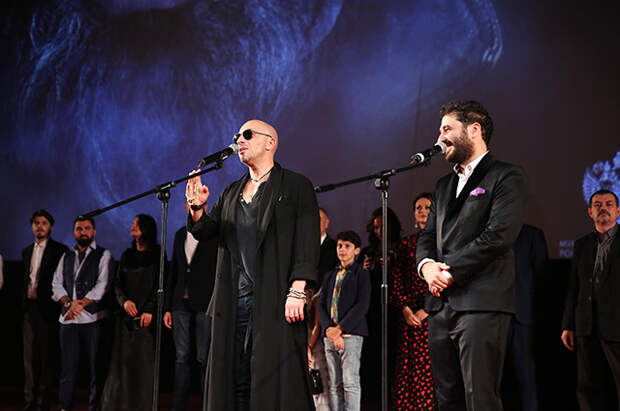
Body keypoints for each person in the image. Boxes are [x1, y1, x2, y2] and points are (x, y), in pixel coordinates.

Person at [185, 119, 320, 411]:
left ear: (270, 142)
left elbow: (307, 240)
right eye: (237, 136)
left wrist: (298, 289)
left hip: (274, 296)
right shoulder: (232, 192)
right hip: (234, 299)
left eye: (247, 135)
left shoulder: (296, 185)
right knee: (237, 376)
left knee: (271, 378)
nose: (239, 141)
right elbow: (206, 230)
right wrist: (197, 207)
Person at [416, 100, 528, 410]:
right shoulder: (443, 185)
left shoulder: (506, 175)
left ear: (474, 129)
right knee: (446, 399)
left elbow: (497, 237)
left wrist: (446, 270)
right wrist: (427, 268)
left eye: (447, 129)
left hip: (481, 302)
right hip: (441, 305)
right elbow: (427, 236)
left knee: (480, 398)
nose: (440, 138)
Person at [561, 189, 620, 411]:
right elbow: (574, 287)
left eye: (608, 204)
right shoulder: (582, 244)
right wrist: (567, 325)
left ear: (618, 211)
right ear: (590, 212)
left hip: (617, 324)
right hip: (586, 325)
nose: (603, 208)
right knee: (587, 387)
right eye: (597, 205)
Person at [101, 214, 164, 411]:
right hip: (126, 320)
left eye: (137, 224)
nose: (132, 226)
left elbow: (160, 285)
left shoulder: (157, 255)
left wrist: (150, 310)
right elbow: (117, 284)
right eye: (133, 223)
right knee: (123, 365)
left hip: (146, 321)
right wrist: (124, 302)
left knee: (143, 366)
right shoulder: (127, 255)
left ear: (147, 228)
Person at [51, 216, 112, 411]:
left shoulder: (104, 254)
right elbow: (56, 284)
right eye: (79, 229)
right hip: (68, 321)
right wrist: (70, 304)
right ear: (74, 232)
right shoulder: (67, 256)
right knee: (67, 369)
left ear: (94, 231)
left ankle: (94, 408)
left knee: (96, 370)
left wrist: (80, 305)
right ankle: (64, 406)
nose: (83, 232)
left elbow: (102, 285)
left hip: (93, 320)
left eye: (86, 228)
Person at [164, 201, 218, 411]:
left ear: (205, 207)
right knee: (181, 357)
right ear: (186, 207)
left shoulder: (213, 234)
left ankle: (207, 406)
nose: (192, 207)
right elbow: (174, 272)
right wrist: (168, 307)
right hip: (180, 302)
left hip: (204, 301)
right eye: (189, 204)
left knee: (204, 357)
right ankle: (178, 407)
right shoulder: (180, 234)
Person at [390, 193, 437, 411]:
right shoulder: (406, 243)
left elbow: (446, 278)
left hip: (433, 315)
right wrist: (406, 310)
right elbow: (397, 278)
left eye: (427, 207)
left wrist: (426, 310)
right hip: (409, 316)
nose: (422, 211)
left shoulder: (441, 241)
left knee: (430, 368)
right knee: (407, 367)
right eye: (419, 207)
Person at [21, 209, 69, 411]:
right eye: (36, 223)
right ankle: (29, 400)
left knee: (47, 356)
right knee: (29, 358)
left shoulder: (59, 250)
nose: (39, 227)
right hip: (28, 309)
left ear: (50, 226)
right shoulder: (26, 251)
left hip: (48, 309)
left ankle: (43, 401)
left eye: (43, 223)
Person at [319, 230, 371, 411]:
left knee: (350, 383)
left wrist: (339, 329)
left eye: (347, 246)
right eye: (339, 245)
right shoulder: (330, 275)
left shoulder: (361, 274)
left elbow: (362, 305)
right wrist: (329, 329)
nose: (342, 249)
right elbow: (321, 306)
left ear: (357, 250)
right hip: (330, 336)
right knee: (334, 384)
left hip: (350, 335)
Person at [359, 206, 402, 405]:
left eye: (383, 226)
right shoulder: (367, 252)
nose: (379, 231)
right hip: (371, 313)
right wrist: (364, 269)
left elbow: (406, 279)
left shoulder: (400, 248)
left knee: (392, 360)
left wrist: (392, 267)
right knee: (371, 362)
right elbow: (357, 284)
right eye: (375, 227)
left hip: (394, 311)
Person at [504, 224, 548, 411]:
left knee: (526, 378)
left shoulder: (532, 234)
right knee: (489, 380)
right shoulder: (484, 231)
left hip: (522, 316)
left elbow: (541, 277)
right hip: (490, 317)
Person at [308, 207, 338, 410]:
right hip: (301, 312)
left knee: (323, 367)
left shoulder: (335, 248)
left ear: (327, 222)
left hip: (325, 314)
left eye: (319, 219)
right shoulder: (301, 247)